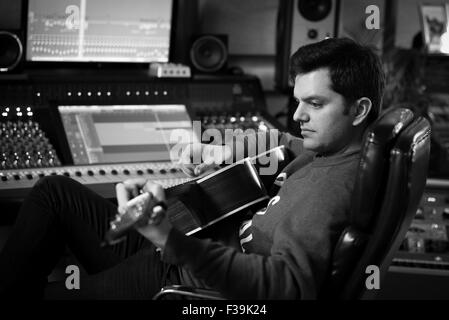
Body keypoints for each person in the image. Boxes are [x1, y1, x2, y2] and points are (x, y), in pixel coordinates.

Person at [0, 37, 385, 299]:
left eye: (315, 104)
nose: (298, 115)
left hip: (184, 275)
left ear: (360, 109)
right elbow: (286, 142)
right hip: (191, 239)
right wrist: (220, 150)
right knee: (53, 191)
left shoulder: (331, 191)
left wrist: (168, 239)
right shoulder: (333, 148)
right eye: (297, 100)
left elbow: (285, 287)